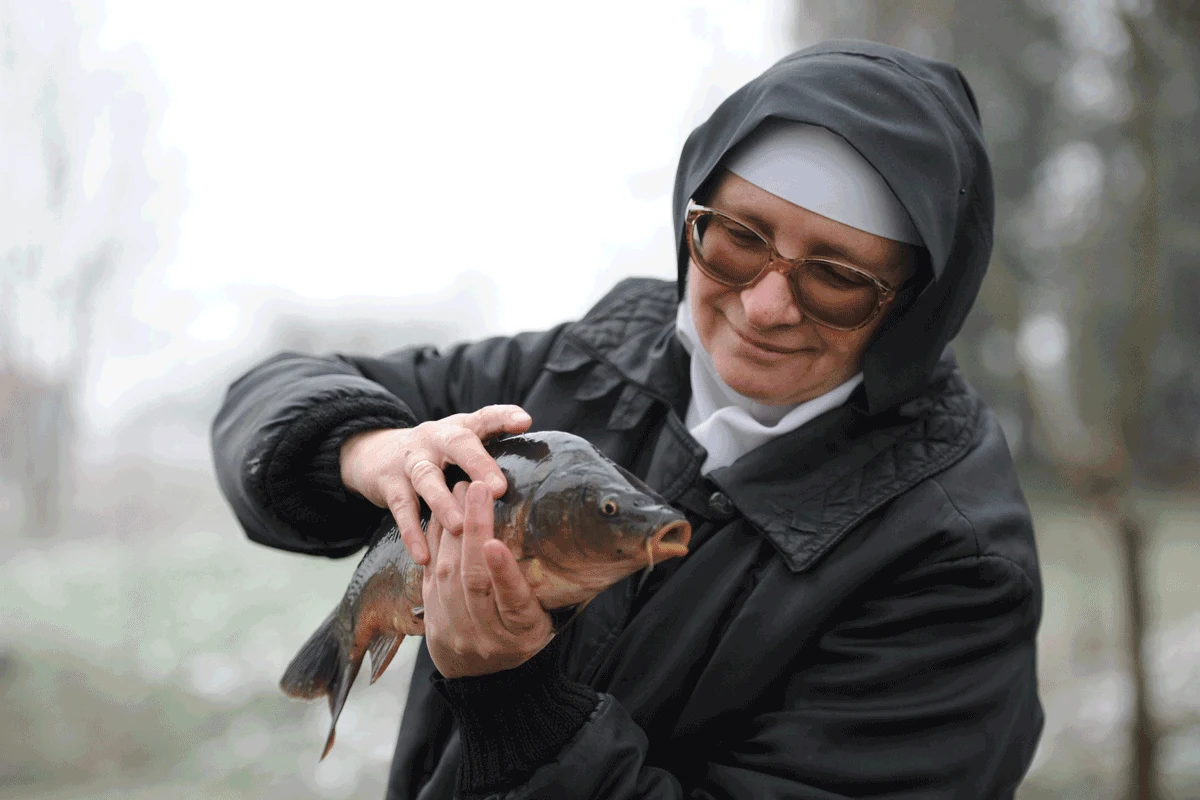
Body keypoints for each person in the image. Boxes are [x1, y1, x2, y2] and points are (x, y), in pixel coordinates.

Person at [212, 39, 1043, 799]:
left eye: (835, 276)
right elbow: (271, 397)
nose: (765, 305)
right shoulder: (588, 361)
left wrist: (517, 704)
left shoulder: (956, 565)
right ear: (691, 219)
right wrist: (373, 449)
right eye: (738, 237)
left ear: (914, 304)